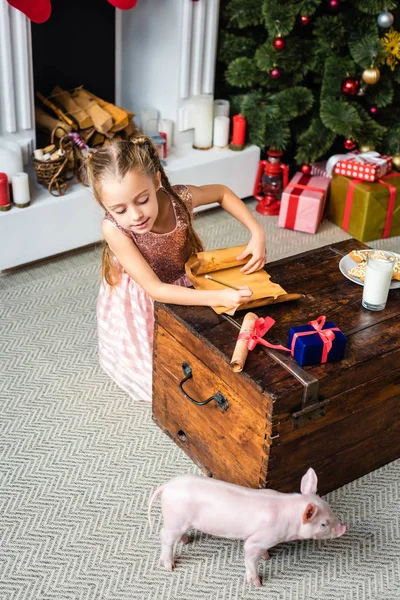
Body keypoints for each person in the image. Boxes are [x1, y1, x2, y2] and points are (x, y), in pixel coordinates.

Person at [85, 135, 267, 401]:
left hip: (184, 277)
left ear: (157, 181)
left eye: (142, 199)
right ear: (104, 206)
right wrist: (217, 296)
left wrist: (257, 232)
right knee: (161, 371)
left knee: (203, 340)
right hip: (146, 294)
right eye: (119, 209)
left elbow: (222, 192)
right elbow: (156, 290)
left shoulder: (179, 198)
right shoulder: (113, 228)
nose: (135, 215)